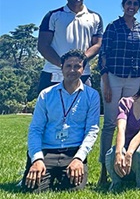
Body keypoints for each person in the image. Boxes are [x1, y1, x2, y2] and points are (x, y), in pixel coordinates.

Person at [22, 49, 100, 192]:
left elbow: (92, 130)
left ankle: (62, 173)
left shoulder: (92, 95)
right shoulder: (46, 95)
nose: (72, 70)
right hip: (47, 151)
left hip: (73, 152)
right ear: (61, 68)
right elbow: (35, 129)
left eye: (77, 66)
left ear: (83, 69)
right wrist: (37, 159)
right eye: (68, 66)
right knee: (32, 190)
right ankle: (38, 170)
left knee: (73, 190)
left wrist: (79, 158)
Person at [98, 0, 140, 185]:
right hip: (113, 78)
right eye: (129, 2)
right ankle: (104, 167)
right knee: (110, 123)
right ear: (123, 4)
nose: (132, 6)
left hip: (134, 80)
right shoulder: (113, 27)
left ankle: (125, 166)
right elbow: (104, 54)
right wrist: (106, 81)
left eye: (135, 3)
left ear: (138, 7)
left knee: (127, 123)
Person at [37, 0, 103, 93]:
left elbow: (97, 45)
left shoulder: (95, 17)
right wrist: (63, 65)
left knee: (83, 110)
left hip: (83, 73)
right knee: (48, 110)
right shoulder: (53, 16)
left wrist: (79, 63)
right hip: (54, 73)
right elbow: (43, 46)